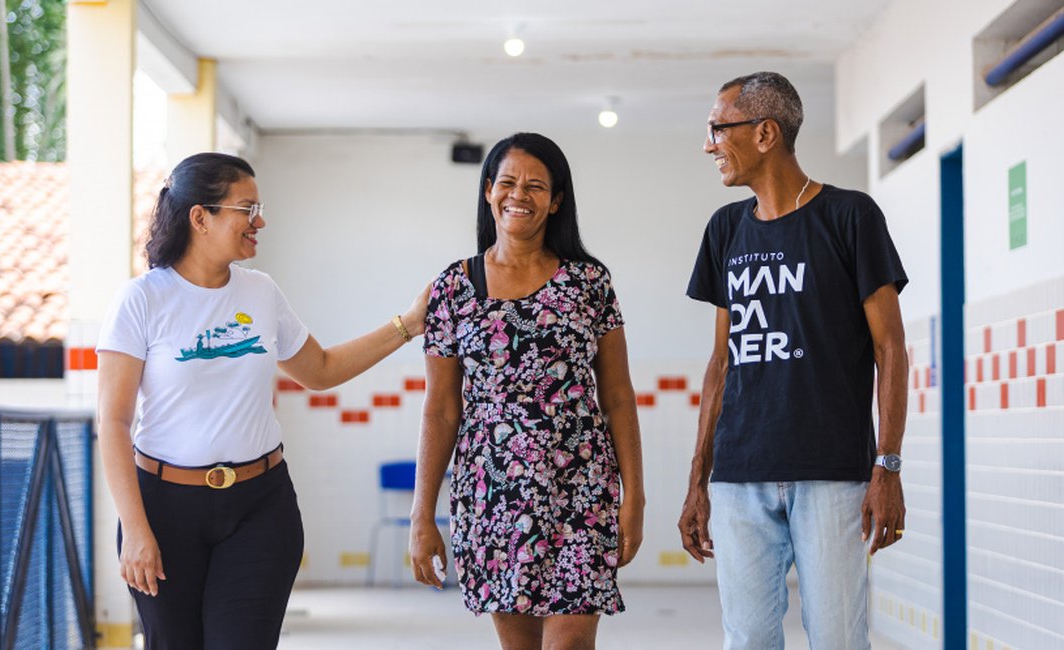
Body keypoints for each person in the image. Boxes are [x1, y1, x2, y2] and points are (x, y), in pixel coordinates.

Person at [96, 152, 428, 649]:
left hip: (259, 506)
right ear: (200, 218)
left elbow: (320, 370)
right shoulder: (142, 300)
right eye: (247, 209)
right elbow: (114, 422)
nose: (261, 221)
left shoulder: (261, 293)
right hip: (164, 509)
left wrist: (407, 325)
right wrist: (135, 528)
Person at [677, 72, 909, 649]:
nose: (708, 145)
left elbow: (891, 349)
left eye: (717, 129)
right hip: (738, 476)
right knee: (748, 639)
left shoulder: (850, 217)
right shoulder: (725, 229)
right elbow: (721, 362)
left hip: (832, 473)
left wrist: (889, 465)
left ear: (765, 134)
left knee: (836, 638)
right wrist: (697, 477)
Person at [410, 133, 645, 649]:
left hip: (581, 487)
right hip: (494, 491)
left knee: (571, 644)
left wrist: (636, 498)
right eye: (509, 182)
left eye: (536, 185)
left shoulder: (589, 283)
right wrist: (422, 514)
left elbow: (619, 396)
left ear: (556, 200)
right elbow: (442, 409)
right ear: (489, 190)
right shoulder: (452, 288)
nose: (520, 194)